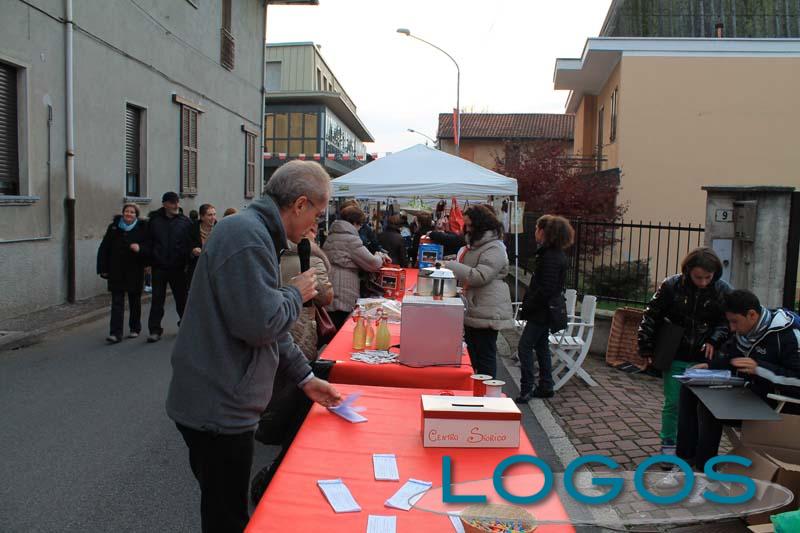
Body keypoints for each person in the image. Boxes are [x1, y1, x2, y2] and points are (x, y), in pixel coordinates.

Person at [166, 160, 341, 533]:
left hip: (220, 403)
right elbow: (260, 325)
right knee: (227, 518)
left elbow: (269, 325)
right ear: (300, 204)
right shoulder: (248, 236)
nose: (316, 225)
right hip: (219, 408)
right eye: (317, 215)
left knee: (224, 508)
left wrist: (305, 378)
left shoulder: (255, 232)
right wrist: (295, 293)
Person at [677, 290, 800, 471]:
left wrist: (759, 368)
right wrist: (710, 366)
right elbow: (733, 357)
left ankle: (703, 471)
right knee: (689, 387)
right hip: (751, 393)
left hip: (779, 406)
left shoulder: (789, 335)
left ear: (752, 314)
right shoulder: (748, 330)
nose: (732, 328)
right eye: (729, 322)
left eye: (734, 321)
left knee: (711, 407)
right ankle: (686, 459)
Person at [638, 247, 732, 459]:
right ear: (688, 270)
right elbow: (651, 315)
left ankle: (694, 450)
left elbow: (727, 321)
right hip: (676, 352)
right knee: (673, 403)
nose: (703, 282)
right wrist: (645, 345)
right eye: (698, 277)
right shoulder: (671, 285)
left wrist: (714, 339)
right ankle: (668, 445)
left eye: (708, 277)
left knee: (701, 407)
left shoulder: (723, 290)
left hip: (705, 358)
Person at [443, 204, 514, 377]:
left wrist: (451, 265)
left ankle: (486, 390)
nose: (466, 228)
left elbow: (480, 275)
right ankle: (477, 387)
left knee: (484, 356)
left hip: (487, 307)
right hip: (477, 306)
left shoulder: (495, 247)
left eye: (469, 225)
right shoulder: (478, 245)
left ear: (480, 224)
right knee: (474, 354)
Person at [515, 215, 574, 401]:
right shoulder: (553, 254)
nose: (535, 232)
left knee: (525, 347)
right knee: (541, 346)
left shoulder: (550, 257)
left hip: (541, 311)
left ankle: (527, 388)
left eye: (536, 228)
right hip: (545, 310)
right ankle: (546, 385)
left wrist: (530, 304)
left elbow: (546, 289)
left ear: (544, 232)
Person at [324, 205, 387, 330]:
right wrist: (380, 256)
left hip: (331, 287)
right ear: (354, 223)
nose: (360, 228)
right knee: (342, 329)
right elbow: (373, 263)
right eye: (360, 225)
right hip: (344, 291)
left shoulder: (331, 236)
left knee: (332, 328)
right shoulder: (351, 240)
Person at [141, 192, 193, 343]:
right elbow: (148, 243)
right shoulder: (154, 221)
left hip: (178, 267)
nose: (176, 205)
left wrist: (186, 261)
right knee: (157, 300)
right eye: (172, 203)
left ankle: (185, 326)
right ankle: (154, 330)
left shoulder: (185, 222)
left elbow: (189, 243)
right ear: (165, 204)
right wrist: (148, 263)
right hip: (159, 266)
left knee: (182, 299)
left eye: (177, 202)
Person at [96, 203, 148, 343]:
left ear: (136, 215)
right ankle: (115, 333)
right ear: (123, 213)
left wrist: (140, 249)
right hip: (116, 270)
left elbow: (148, 246)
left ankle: (135, 328)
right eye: (127, 211)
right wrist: (103, 268)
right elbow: (104, 248)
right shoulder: (114, 228)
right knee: (117, 302)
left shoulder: (142, 228)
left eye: (132, 212)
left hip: (135, 270)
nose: (129, 214)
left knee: (134, 301)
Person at [188, 203, 217, 284]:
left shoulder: (219, 229)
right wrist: (192, 251)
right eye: (210, 215)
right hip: (197, 270)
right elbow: (185, 247)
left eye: (214, 214)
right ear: (202, 217)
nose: (213, 218)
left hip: (214, 270)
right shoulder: (191, 230)